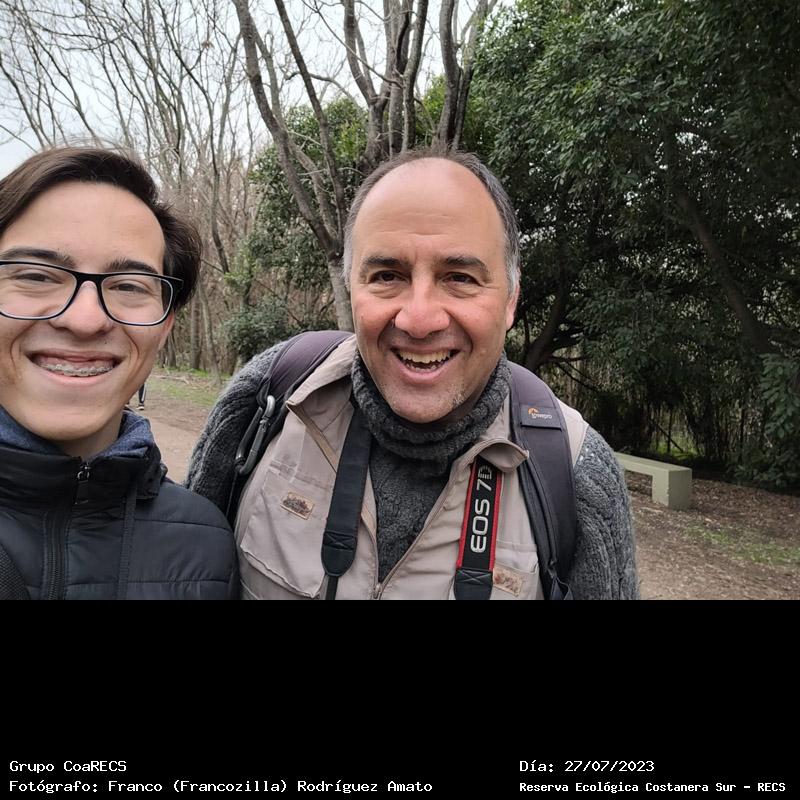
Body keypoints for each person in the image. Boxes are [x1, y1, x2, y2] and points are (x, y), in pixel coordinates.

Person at [187, 149, 638, 600]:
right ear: (351, 289)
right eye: (387, 276)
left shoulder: (575, 474)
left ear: (510, 300)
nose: (419, 320)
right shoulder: (270, 395)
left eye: (460, 277)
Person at [0, 146, 237, 600]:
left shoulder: (206, 546)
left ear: (165, 326)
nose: (85, 320)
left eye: (129, 286)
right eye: (37, 276)